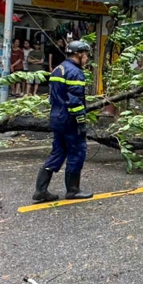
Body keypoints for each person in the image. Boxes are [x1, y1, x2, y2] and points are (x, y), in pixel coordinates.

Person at [33, 40, 94, 202]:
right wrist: (81, 122)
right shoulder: (75, 73)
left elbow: (53, 97)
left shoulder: (57, 70)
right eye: (86, 55)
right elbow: (75, 102)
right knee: (77, 152)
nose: (87, 58)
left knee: (58, 152)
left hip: (56, 117)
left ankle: (41, 190)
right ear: (78, 54)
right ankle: (73, 190)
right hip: (70, 120)